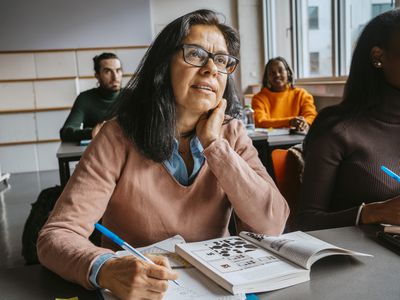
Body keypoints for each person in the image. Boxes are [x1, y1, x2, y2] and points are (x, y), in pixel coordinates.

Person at [38, 9, 289, 299]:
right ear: (163, 65)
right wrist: (107, 268)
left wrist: (214, 145)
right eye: (195, 54)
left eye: (221, 60)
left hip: (219, 288)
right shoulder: (117, 136)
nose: (210, 69)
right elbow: (55, 236)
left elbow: (271, 224)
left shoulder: (231, 134)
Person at [296, 9, 400, 231]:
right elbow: (306, 222)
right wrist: (373, 212)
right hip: (362, 260)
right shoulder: (337, 130)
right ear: (378, 57)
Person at [59, 52, 123, 142]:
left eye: (118, 70)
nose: (115, 76)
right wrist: (92, 132)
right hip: (99, 152)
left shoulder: (132, 95)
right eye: (107, 71)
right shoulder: (85, 98)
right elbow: (65, 133)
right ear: (97, 76)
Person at [251, 57, 317, 132]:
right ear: (267, 77)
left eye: (280, 70)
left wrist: (304, 123)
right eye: (272, 72)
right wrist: (290, 122)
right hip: (270, 141)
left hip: (299, 138)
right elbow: (260, 121)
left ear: (288, 73)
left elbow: (311, 116)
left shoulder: (302, 94)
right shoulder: (258, 98)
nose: (277, 75)